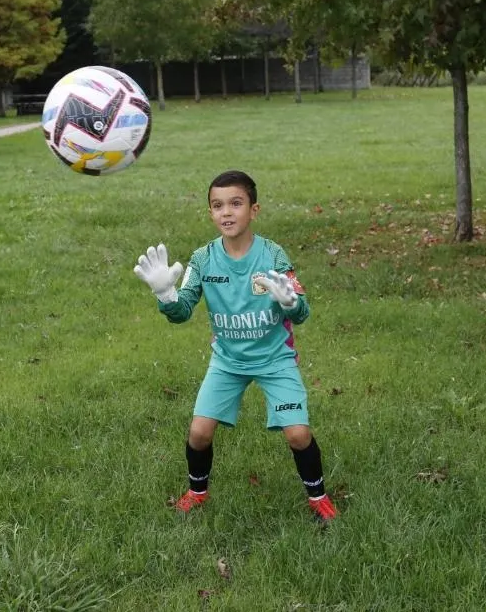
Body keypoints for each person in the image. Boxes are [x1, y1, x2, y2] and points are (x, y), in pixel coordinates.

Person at [133, 170, 338, 523]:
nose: (226, 212)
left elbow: (301, 312)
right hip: (227, 361)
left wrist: (291, 303)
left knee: (298, 434)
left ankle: (318, 496)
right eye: (217, 205)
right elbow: (181, 313)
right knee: (198, 433)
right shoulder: (203, 259)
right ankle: (197, 492)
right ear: (211, 212)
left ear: (254, 210)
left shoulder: (273, 255)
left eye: (236, 203)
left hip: (275, 359)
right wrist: (165, 294)